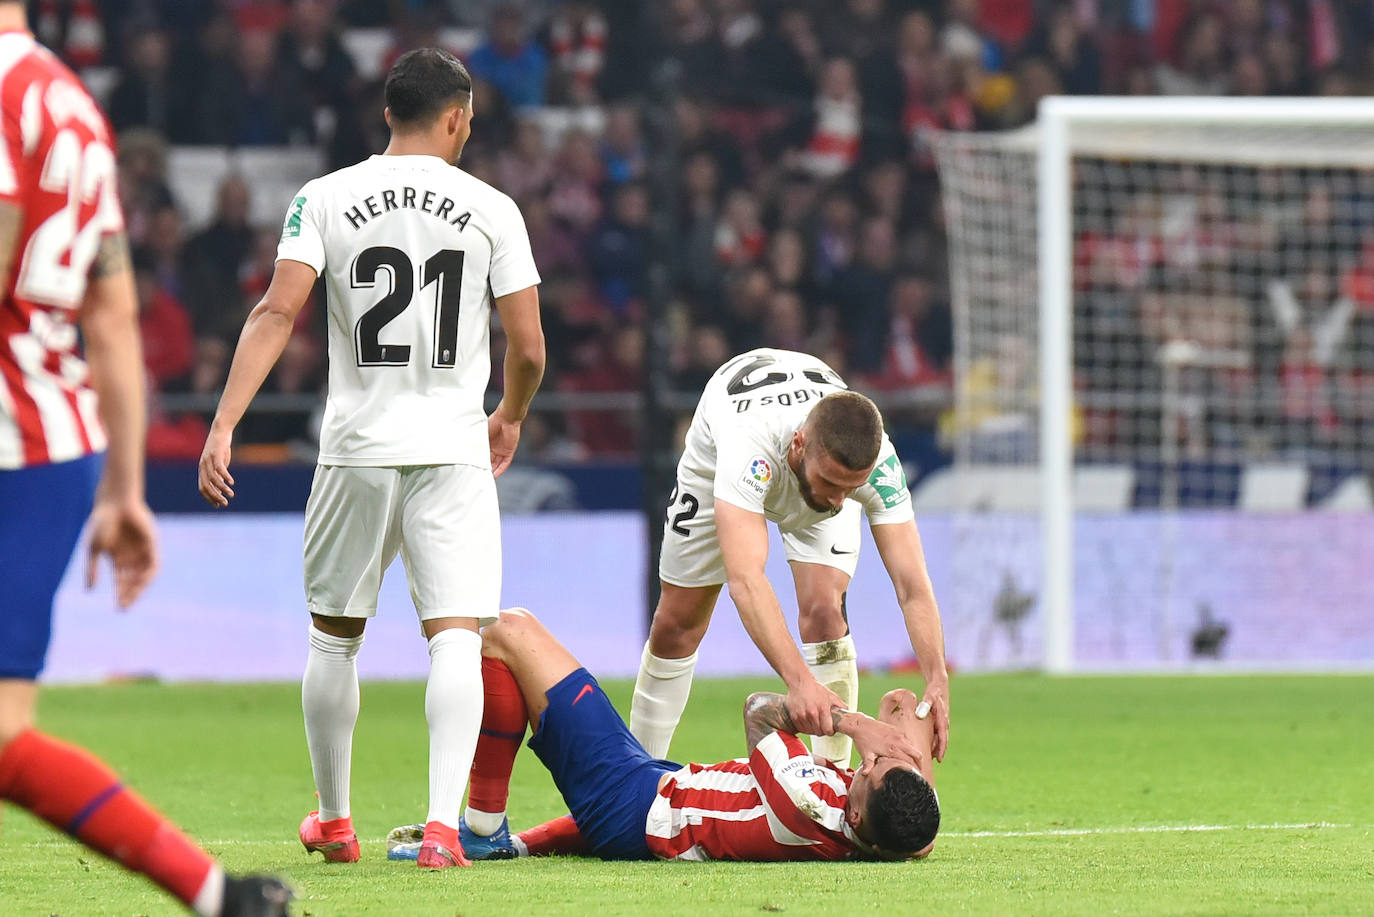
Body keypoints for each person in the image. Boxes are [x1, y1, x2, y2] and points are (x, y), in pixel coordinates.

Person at [197, 48, 545, 869]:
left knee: (334, 637)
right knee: (456, 635)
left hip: (356, 445)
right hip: (453, 450)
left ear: (387, 112)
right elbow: (527, 345)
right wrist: (511, 414)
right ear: (457, 117)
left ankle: (336, 819)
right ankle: (440, 827)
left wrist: (223, 423)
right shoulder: (494, 207)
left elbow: (277, 312)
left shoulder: (324, 197)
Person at [0, 5, 291, 914]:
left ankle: (212, 894)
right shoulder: (72, 105)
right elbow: (113, 313)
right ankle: (214, 894)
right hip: (56, 448)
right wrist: (124, 489)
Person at [387, 607, 940, 863]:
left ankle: (481, 828)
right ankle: (497, 840)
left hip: (634, 803)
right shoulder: (890, 833)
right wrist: (910, 749)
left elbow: (761, 712)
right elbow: (923, 832)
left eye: (868, 771)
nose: (861, 764)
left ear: (860, 816)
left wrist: (858, 724)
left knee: (508, 631)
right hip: (653, 797)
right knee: (512, 644)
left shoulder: (805, 808)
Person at [631, 348, 951, 768]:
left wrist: (936, 677)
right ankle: (633, 777)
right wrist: (799, 683)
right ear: (799, 445)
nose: (839, 501)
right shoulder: (749, 446)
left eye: (851, 488)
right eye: (831, 482)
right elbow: (746, 580)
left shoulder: (877, 467)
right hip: (722, 444)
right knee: (677, 624)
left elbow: (912, 584)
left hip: (803, 420)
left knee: (824, 610)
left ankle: (833, 781)